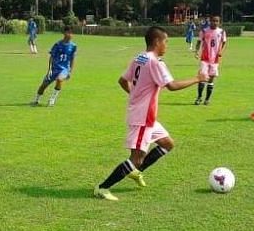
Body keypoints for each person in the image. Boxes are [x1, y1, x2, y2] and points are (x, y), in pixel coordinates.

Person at [94, 27, 207, 201]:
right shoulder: (155, 62)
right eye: (166, 42)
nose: (166, 46)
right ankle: (102, 188)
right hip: (142, 117)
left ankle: (136, 171)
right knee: (137, 158)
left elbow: (122, 81)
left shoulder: (139, 57)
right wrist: (197, 79)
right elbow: (172, 85)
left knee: (167, 144)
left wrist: (134, 94)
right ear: (157, 42)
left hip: (147, 116)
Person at [31, 26, 77, 107]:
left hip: (64, 69)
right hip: (54, 68)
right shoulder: (57, 44)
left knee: (59, 80)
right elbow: (51, 57)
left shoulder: (73, 46)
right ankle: (36, 99)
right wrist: (49, 70)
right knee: (43, 85)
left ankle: (52, 99)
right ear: (64, 33)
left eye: (71, 33)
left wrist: (70, 71)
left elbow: (72, 58)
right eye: (69, 32)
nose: (70, 35)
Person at [194, 15, 228, 106]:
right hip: (205, 58)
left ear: (219, 22)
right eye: (213, 21)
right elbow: (199, 41)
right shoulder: (204, 31)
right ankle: (199, 97)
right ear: (210, 21)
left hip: (215, 60)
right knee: (202, 78)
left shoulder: (221, 32)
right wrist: (197, 51)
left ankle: (207, 99)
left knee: (211, 79)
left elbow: (224, 42)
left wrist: (221, 51)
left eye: (217, 21)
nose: (215, 23)